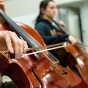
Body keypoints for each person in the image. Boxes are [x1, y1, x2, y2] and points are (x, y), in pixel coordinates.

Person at [35, 0, 77, 65]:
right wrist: (65, 36)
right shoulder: (40, 25)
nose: (54, 10)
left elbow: (58, 38)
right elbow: (42, 40)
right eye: (51, 8)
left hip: (59, 59)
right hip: (51, 61)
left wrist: (63, 29)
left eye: (55, 8)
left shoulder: (52, 25)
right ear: (43, 10)